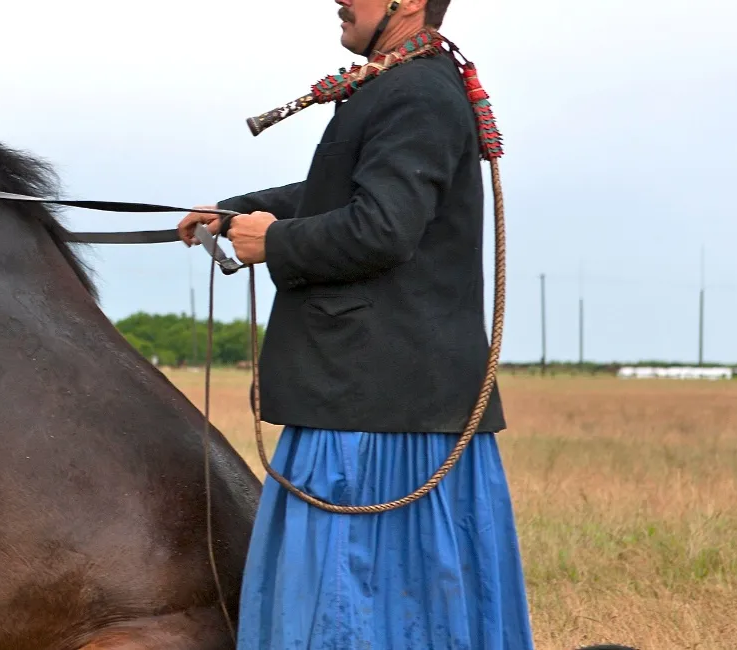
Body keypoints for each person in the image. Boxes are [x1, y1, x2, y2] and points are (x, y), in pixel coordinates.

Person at [176, 0, 533, 647]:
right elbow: (344, 197)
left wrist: (275, 243)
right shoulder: (404, 82)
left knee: (349, 611)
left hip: (380, 422)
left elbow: (382, 229)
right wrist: (237, 213)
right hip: (379, 406)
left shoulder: (418, 90)